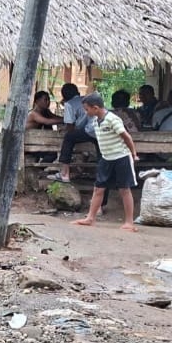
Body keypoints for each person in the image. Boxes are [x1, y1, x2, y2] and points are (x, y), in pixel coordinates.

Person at [73, 93, 139, 232]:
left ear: (95, 108)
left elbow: (126, 137)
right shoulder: (95, 121)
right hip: (106, 158)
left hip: (121, 157)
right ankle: (90, 218)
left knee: (124, 189)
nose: (86, 112)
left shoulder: (113, 119)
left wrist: (133, 153)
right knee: (98, 188)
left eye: (87, 109)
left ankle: (129, 222)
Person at [56, 83, 97, 182]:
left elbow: (70, 126)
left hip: (89, 130)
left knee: (69, 137)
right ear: (78, 92)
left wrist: (66, 130)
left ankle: (65, 173)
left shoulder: (69, 104)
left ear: (64, 96)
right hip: (100, 129)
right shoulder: (88, 100)